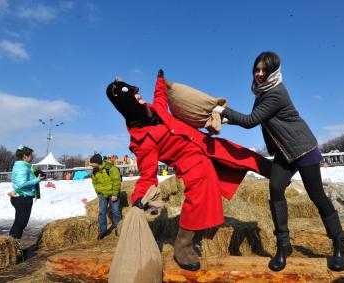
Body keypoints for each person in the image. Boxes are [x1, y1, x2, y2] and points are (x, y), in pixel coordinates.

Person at [106, 70, 271, 271]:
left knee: (239, 154)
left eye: (138, 93)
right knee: (202, 191)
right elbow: (147, 175)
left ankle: (278, 171)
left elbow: (160, 97)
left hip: (202, 142)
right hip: (190, 162)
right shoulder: (142, 142)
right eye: (134, 95)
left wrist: (160, 82)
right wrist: (139, 200)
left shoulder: (155, 109)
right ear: (127, 104)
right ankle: (182, 244)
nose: (139, 96)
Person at [214, 51, 344, 272]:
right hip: (284, 152)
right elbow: (255, 120)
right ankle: (284, 245)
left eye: (264, 70)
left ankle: (339, 243)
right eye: (256, 69)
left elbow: (251, 121)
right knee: (275, 189)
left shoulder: (275, 92)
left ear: (273, 71)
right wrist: (229, 120)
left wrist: (222, 110)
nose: (259, 73)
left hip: (303, 148)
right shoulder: (260, 93)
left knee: (317, 196)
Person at [9, 145, 46, 239]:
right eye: (30, 155)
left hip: (23, 197)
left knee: (20, 223)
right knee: (20, 223)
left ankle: (14, 247)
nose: (32, 157)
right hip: (22, 198)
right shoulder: (23, 167)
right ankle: (12, 247)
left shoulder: (23, 166)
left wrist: (37, 177)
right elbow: (22, 184)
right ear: (25, 156)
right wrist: (37, 180)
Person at [90, 153, 122, 240]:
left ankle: (118, 228)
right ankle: (103, 231)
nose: (91, 165)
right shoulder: (94, 171)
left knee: (115, 211)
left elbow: (117, 181)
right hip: (102, 194)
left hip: (112, 193)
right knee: (101, 212)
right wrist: (99, 193)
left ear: (97, 162)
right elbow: (94, 183)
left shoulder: (111, 168)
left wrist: (115, 194)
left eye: (92, 163)